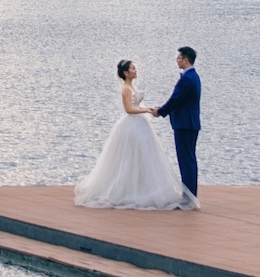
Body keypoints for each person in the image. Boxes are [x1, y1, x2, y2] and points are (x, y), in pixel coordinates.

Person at [74, 59, 195, 210]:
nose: (135, 70)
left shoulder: (132, 86)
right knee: (130, 157)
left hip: (141, 124)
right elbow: (129, 109)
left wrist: (148, 109)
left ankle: (143, 187)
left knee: (145, 156)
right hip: (131, 125)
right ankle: (126, 190)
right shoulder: (125, 88)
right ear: (126, 72)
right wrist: (147, 110)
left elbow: (136, 105)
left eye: (135, 68)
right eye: (132, 68)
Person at [150, 46, 202, 210]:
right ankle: (190, 195)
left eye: (179, 58)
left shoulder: (187, 79)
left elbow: (175, 99)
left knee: (186, 161)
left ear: (186, 59)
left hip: (185, 124)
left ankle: (188, 198)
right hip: (190, 124)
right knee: (189, 160)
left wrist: (160, 111)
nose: (177, 60)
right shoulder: (193, 76)